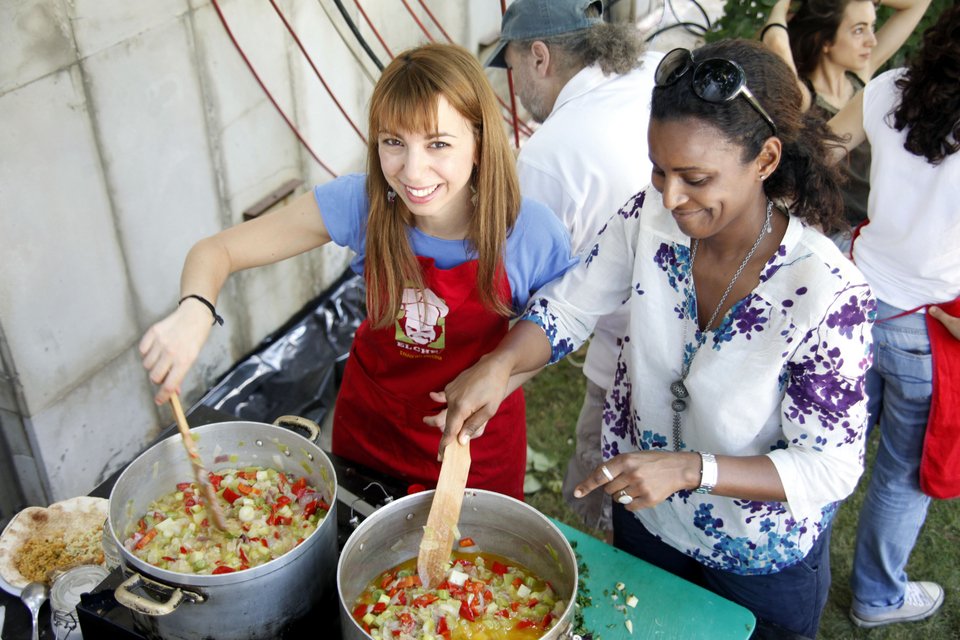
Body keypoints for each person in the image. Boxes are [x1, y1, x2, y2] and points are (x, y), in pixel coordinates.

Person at [435, 39, 876, 637]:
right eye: (659, 169)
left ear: (766, 159)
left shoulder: (826, 293)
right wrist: (501, 362)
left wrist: (693, 469)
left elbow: (829, 466)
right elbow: (569, 306)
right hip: (649, 520)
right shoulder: (650, 217)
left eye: (695, 178)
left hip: (754, 559)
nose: (671, 197)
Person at [138, 42, 577, 501]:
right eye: (394, 143)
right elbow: (216, 251)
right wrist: (195, 310)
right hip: (371, 430)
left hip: (475, 444)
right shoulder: (362, 202)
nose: (413, 170)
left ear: (480, 143)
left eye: (439, 144)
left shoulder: (530, 231)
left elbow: (560, 330)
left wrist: (501, 377)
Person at [485, 0, 662, 535]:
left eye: (512, 67)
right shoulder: (654, 69)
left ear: (539, 56)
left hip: (626, 372)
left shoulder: (548, 155)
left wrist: (496, 370)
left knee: (605, 514)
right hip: (687, 349)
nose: (514, 85)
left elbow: (522, 296)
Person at [828, 4, 959, 627]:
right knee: (900, 475)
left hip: (854, 298)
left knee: (828, 446)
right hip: (928, 323)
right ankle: (878, 597)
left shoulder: (891, 89)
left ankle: (795, 558)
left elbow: (824, 144)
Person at [760, 0, 931, 236]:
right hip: (839, 235)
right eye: (859, 30)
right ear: (825, 40)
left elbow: (918, 4)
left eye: (872, 27)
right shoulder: (803, 96)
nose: (871, 40)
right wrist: (780, 5)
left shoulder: (861, 80)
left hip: (884, 224)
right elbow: (777, 44)